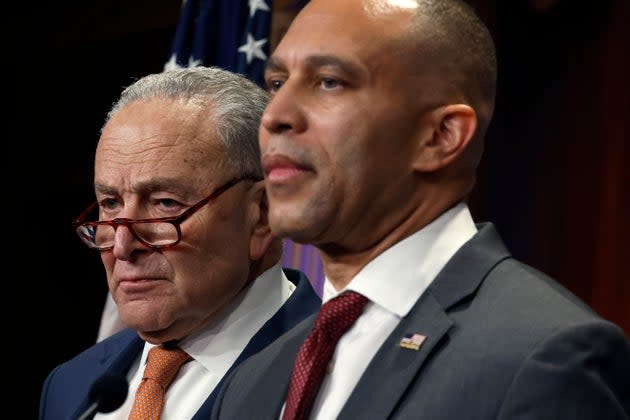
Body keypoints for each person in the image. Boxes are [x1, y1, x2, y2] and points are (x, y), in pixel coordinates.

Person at [210, 1, 630, 419]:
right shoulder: (253, 378)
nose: (275, 116)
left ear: (440, 136)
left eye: (330, 82)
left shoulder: (542, 357)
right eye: (277, 83)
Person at [39, 66, 321, 420]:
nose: (123, 245)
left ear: (263, 214)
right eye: (110, 203)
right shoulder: (71, 385)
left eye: (165, 203)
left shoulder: (336, 368)